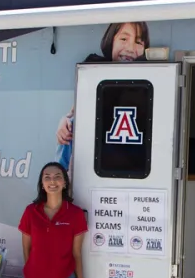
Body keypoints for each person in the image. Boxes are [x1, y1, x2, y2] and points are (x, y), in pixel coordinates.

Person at [54, 21, 151, 171]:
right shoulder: (94, 69)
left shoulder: (151, 79)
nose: (130, 48)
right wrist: (66, 119)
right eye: (124, 39)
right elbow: (77, 109)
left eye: (138, 42)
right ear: (111, 40)